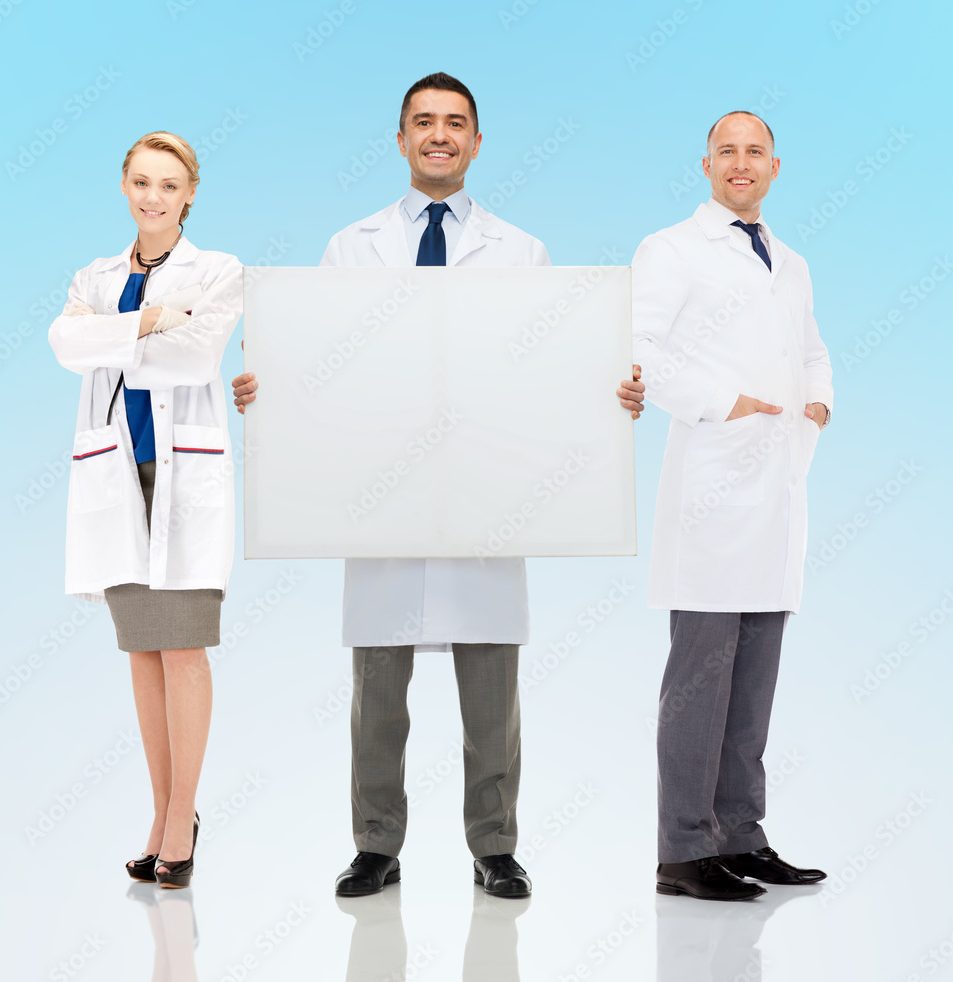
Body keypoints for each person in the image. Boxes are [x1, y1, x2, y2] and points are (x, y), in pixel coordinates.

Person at [232, 73, 645, 898]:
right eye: (424, 122)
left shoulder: (520, 251)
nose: (439, 135)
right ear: (400, 140)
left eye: (455, 123)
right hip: (381, 497)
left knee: (492, 695)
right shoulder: (352, 248)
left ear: (477, 142)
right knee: (377, 696)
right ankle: (376, 845)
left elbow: (552, 369)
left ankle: (495, 846)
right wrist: (264, 386)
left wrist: (611, 393)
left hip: (486, 497)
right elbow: (314, 361)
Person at [631, 111, 832, 901]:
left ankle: (741, 835)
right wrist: (731, 403)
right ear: (705, 164)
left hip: (778, 492)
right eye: (727, 151)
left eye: (755, 152)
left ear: (775, 167)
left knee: (754, 683)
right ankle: (684, 849)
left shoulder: (793, 261)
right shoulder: (671, 249)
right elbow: (641, 350)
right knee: (700, 681)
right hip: (715, 492)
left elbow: (811, 349)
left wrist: (817, 403)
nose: (740, 163)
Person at [49, 131, 243, 888]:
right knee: (142, 651)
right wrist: (154, 321)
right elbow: (65, 344)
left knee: (184, 649)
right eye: (141, 182)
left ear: (190, 193)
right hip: (115, 480)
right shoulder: (95, 276)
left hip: (181, 478)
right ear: (124, 187)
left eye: (168, 184)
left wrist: (113, 339)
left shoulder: (218, 271)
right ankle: (164, 814)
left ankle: (184, 816)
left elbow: (197, 358)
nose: (153, 197)